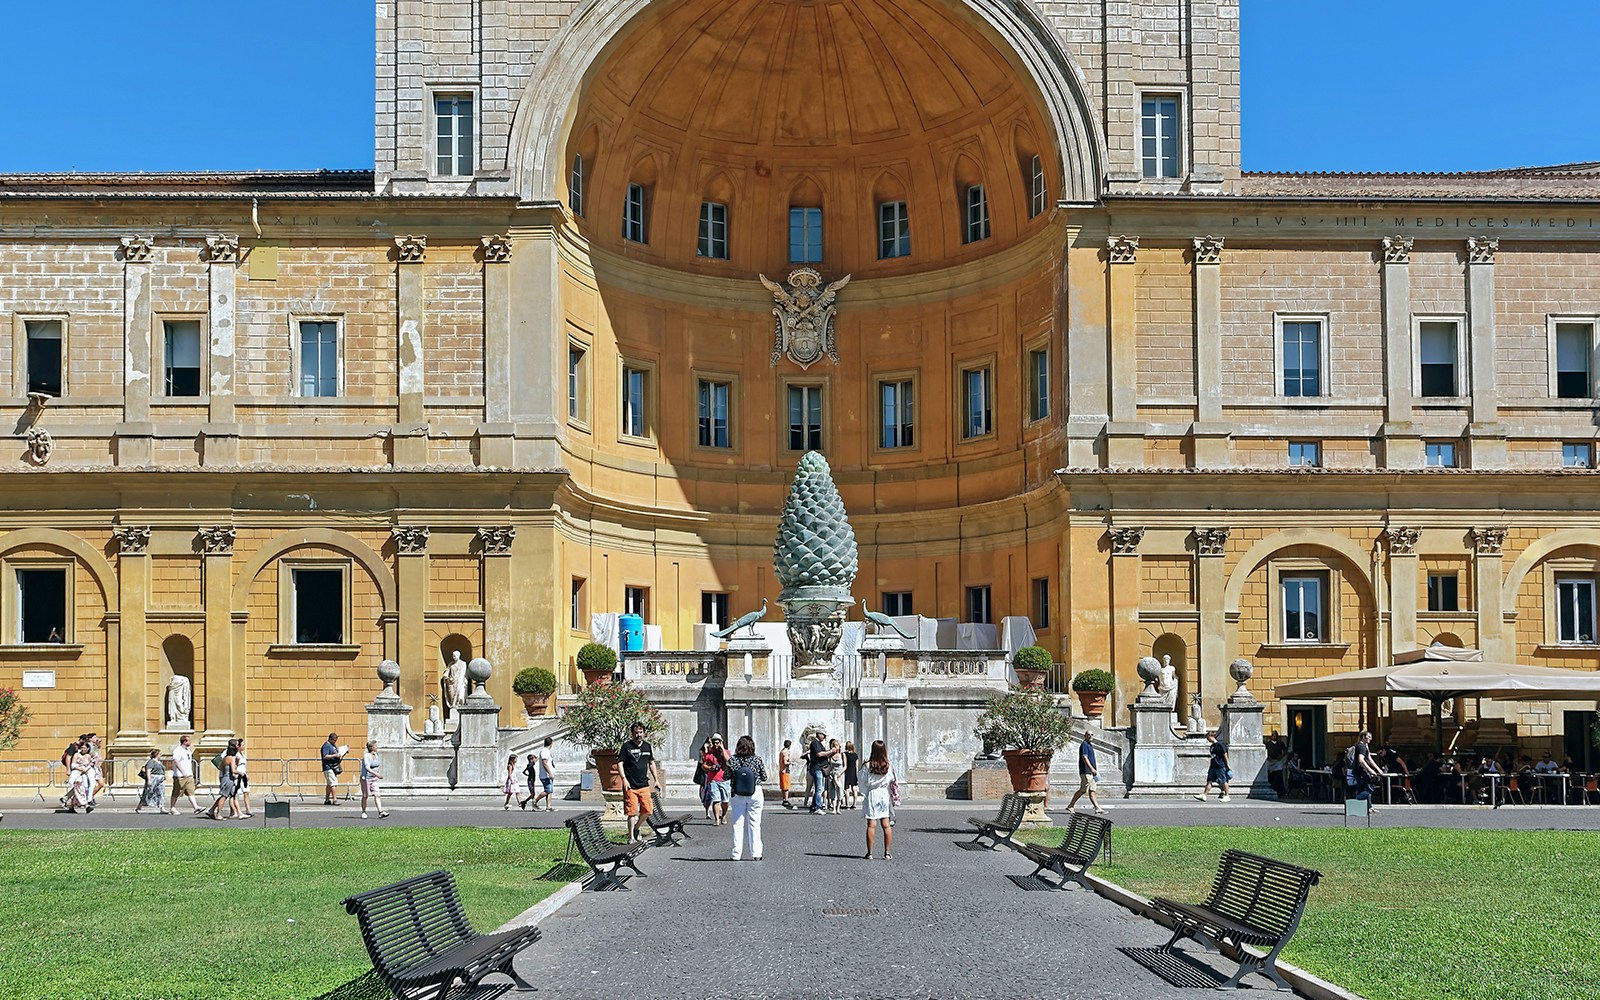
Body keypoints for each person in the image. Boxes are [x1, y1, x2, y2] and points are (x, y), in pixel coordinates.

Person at [618, 721, 663, 842]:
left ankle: (637, 828)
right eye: (636, 733)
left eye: (641, 732)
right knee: (631, 812)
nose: (638, 735)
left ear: (644, 733)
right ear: (632, 734)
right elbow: (620, 763)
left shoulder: (647, 746)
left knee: (648, 810)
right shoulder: (626, 746)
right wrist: (624, 780)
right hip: (630, 786)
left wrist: (656, 780)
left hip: (644, 784)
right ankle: (631, 837)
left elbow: (651, 763)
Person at [727, 735, 768, 861]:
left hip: (737, 794)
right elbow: (764, 777)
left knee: (737, 824)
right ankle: (756, 853)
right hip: (755, 792)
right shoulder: (757, 760)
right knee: (755, 823)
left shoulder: (733, 760)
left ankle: (736, 854)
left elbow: (725, 776)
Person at [860, 739, 895, 860]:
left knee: (871, 824)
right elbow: (891, 778)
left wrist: (865, 792)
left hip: (872, 793)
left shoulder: (868, 765)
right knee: (886, 825)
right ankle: (887, 852)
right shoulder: (888, 765)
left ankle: (869, 853)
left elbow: (862, 781)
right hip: (883, 794)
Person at [1065, 730, 1108, 815]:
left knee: (1092, 790)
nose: (1090, 736)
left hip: (1091, 773)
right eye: (1088, 735)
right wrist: (1091, 769)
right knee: (1083, 790)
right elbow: (1085, 758)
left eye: (1092, 735)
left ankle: (1097, 808)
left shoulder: (1089, 745)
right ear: (1084, 736)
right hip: (1086, 772)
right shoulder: (1084, 744)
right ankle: (1071, 805)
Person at [205, 740, 242, 820]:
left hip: (225, 778)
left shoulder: (225, 758)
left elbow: (221, 767)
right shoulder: (231, 758)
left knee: (230, 795)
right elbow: (234, 770)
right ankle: (218, 814)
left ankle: (213, 810)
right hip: (228, 779)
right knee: (223, 796)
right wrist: (242, 773)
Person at [703, 734, 732, 826]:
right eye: (714, 743)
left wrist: (722, 748)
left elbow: (729, 761)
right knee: (716, 800)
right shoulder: (709, 754)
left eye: (717, 742)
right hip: (713, 780)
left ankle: (723, 815)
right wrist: (710, 767)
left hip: (725, 780)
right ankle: (717, 819)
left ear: (721, 742)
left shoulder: (726, 752)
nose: (715, 745)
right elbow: (703, 765)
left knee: (725, 801)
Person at [1194, 733, 1231, 802]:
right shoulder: (1212, 746)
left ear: (1212, 736)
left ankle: (1227, 795)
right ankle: (1204, 795)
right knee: (1209, 781)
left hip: (1220, 765)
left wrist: (1227, 765)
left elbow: (1225, 755)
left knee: (1223, 781)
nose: (1208, 740)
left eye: (1208, 738)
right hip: (1213, 766)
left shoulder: (1220, 745)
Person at [523, 736, 557, 811]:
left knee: (550, 791)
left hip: (548, 775)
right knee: (548, 790)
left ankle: (549, 807)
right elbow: (544, 763)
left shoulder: (545, 751)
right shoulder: (545, 751)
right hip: (546, 775)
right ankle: (535, 801)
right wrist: (550, 773)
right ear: (551, 744)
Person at [170, 734, 200, 815]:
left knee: (191, 791)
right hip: (180, 776)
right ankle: (172, 807)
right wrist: (182, 771)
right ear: (185, 741)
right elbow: (176, 761)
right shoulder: (178, 750)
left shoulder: (188, 750)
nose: (190, 742)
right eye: (189, 740)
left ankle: (196, 807)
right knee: (176, 792)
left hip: (189, 775)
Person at [1351, 731, 1380, 812]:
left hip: (1358, 771)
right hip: (1361, 771)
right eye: (1369, 737)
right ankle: (1355, 803)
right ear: (1363, 737)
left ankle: (1368, 807)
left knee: (1362, 789)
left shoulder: (1364, 746)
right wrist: (1370, 770)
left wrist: (1377, 769)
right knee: (1369, 789)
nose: (1371, 739)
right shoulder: (1361, 747)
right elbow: (1361, 760)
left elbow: (1369, 759)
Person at [360, 739, 389, 819]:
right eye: (375, 746)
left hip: (374, 779)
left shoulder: (375, 755)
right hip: (366, 778)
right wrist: (377, 774)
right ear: (371, 747)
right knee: (365, 796)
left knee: (377, 794)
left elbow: (376, 766)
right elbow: (367, 768)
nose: (377, 747)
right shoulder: (367, 756)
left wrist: (377, 774)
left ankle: (380, 812)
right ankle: (363, 811)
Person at [321, 733, 346, 805]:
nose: (335, 742)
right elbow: (325, 756)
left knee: (329, 784)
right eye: (334, 740)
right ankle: (335, 799)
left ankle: (327, 799)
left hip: (333, 766)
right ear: (330, 739)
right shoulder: (326, 745)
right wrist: (335, 755)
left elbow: (337, 751)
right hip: (328, 767)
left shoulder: (333, 745)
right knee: (333, 784)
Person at [807, 728, 828, 814]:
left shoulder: (819, 743)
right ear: (818, 734)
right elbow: (819, 754)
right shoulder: (815, 743)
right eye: (823, 734)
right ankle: (817, 807)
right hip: (817, 768)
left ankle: (813, 806)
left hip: (819, 768)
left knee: (819, 788)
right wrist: (830, 752)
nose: (825, 737)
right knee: (819, 789)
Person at [234, 737, 254, 818]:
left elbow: (244, 766)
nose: (244, 746)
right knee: (237, 794)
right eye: (242, 745)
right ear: (238, 746)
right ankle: (237, 811)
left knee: (246, 792)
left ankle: (248, 809)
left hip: (244, 775)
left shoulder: (243, 754)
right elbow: (235, 766)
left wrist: (246, 774)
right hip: (238, 776)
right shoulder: (236, 755)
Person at [824, 738, 844, 814]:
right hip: (832, 774)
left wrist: (840, 774)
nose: (835, 747)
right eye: (833, 745)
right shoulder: (830, 755)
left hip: (839, 774)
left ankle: (838, 808)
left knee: (840, 791)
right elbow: (828, 765)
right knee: (832, 791)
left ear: (839, 747)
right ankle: (834, 808)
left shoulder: (842, 755)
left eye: (836, 745)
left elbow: (845, 766)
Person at [1265, 731, 1287, 798]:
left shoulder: (1280, 743)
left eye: (1275, 735)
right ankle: (1271, 787)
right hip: (1270, 761)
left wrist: (1281, 756)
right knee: (1270, 775)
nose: (1274, 736)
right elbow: (1264, 751)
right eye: (1273, 735)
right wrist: (1268, 757)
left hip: (1278, 761)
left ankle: (1280, 790)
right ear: (1271, 736)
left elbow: (1285, 751)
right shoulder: (1268, 744)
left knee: (1278, 775)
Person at [777, 739, 795, 809]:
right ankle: (786, 800)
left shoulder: (782, 751)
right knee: (786, 786)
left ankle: (784, 799)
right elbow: (785, 762)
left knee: (783, 786)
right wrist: (791, 763)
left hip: (782, 770)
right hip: (785, 770)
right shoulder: (785, 752)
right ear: (789, 745)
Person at [842, 740, 860, 810]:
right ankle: (854, 804)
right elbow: (857, 766)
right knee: (854, 788)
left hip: (847, 771)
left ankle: (847, 804)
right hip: (853, 772)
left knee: (847, 788)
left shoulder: (844, 754)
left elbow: (844, 764)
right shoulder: (855, 755)